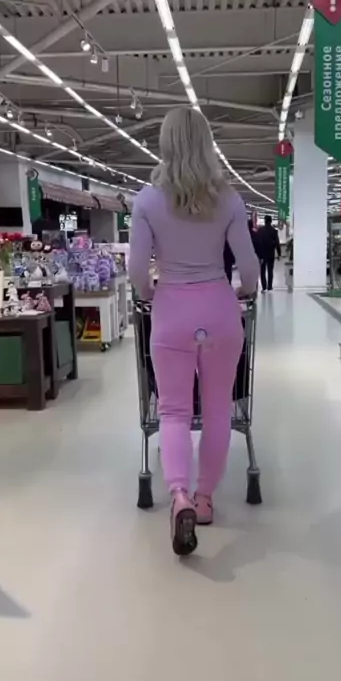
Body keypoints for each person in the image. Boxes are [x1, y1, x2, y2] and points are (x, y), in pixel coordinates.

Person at [129, 107, 259, 557]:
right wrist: (243, 290)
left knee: (174, 412)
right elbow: (249, 268)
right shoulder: (229, 199)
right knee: (219, 408)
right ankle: (205, 499)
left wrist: (150, 291)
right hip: (220, 311)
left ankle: (179, 495)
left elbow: (137, 270)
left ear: (165, 143)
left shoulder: (147, 201)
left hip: (171, 312)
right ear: (207, 143)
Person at [257, 214, 281, 292]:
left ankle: (264, 287)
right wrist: (279, 254)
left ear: (265, 221)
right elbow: (277, 243)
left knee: (262, 271)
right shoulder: (274, 231)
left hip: (262, 254)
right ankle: (270, 286)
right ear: (271, 221)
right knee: (270, 270)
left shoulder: (260, 231)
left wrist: (258, 253)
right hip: (271, 253)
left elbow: (258, 242)